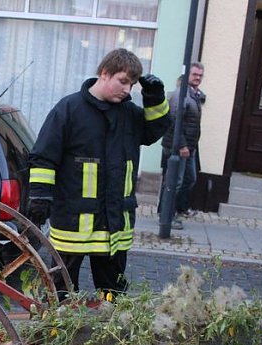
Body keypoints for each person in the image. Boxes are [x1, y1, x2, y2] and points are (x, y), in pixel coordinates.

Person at [28, 48, 170, 297]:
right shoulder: (69, 109)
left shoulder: (130, 114)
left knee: (114, 297)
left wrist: (155, 97)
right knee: (60, 294)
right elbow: (44, 157)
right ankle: (55, 332)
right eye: (123, 81)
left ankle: (109, 335)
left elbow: (155, 129)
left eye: (132, 84)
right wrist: (40, 196)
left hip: (114, 227)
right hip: (74, 224)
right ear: (105, 73)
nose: (127, 90)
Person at [160, 62, 205, 230]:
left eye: (200, 75)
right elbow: (173, 122)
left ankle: (174, 211)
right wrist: (182, 145)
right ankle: (167, 217)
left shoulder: (193, 94)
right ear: (187, 75)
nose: (198, 78)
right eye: (195, 74)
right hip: (178, 147)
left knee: (190, 179)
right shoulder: (182, 94)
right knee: (174, 182)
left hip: (189, 148)